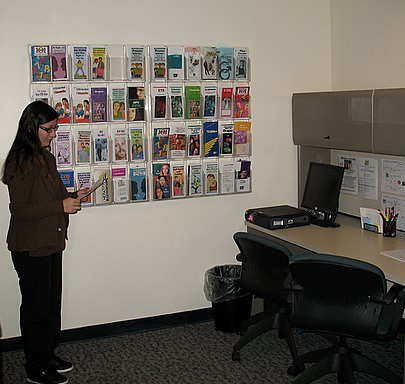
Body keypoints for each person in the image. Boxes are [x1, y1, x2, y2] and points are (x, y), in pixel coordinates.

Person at [1, 101, 89, 384]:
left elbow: (56, 198)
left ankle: (47, 353)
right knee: (36, 308)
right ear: (32, 127)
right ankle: (35, 366)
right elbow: (21, 210)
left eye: (55, 128)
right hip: (30, 246)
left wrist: (74, 196)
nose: (54, 134)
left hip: (51, 242)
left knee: (51, 304)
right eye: (49, 129)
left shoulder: (46, 157)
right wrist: (60, 206)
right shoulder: (19, 161)